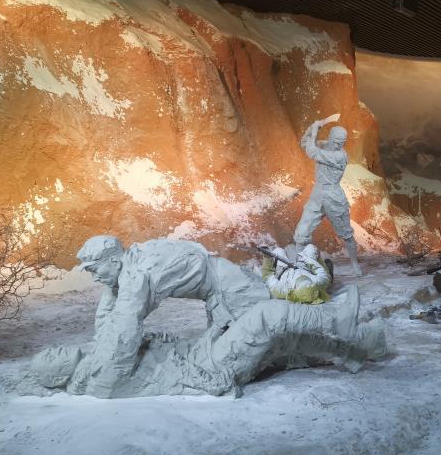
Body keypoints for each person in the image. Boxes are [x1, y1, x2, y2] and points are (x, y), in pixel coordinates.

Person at [24, 235, 385, 398]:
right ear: (58, 376)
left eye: (94, 269)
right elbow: (122, 329)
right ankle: (343, 332)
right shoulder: (100, 375)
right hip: (207, 363)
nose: (55, 349)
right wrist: (110, 283)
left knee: (273, 336)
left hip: (215, 315)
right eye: (51, 357)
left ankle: (349, 343)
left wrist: (111, 287)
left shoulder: (133, 277)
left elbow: (114, 326)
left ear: (114, 260)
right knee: (268, 326)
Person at [293, 114, 363, 277]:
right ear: (331, 138)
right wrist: (312, 129)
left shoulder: (340, 156)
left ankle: (355, 264)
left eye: (342, 142)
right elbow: (305, 144)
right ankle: (300, 267)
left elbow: (312, 152)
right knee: (301, 234)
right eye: (337, 141)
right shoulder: (325, 146)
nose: (339, 145)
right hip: (317, 195)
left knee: (346, 234)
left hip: (334, 196)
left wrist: (315, 131)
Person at [262, 244, 331, 304]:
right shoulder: (319, 282)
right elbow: (321, 270)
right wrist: (306, 259)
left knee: (278, 250)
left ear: (295, 289)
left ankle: (276, 260)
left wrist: (267, 258)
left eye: (300, 281)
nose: (302, 277)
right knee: (311, 248)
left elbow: (267, 277)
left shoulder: (283, 290)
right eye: (306, 279)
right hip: (304, 267)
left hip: (284, 269)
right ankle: (330, 273)